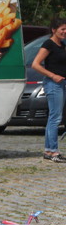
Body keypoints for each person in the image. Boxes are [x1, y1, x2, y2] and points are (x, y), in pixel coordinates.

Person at [31, 17, 66, 162]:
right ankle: (53, 152)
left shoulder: (62, 45)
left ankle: (49, 150)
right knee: (55, 118)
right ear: (54, 30)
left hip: (62, 84)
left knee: (57, 117)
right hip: (53, 84)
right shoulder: (49, 44)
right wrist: (53, 75)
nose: (65, 32)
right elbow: (35, 64)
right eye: (62, 29)